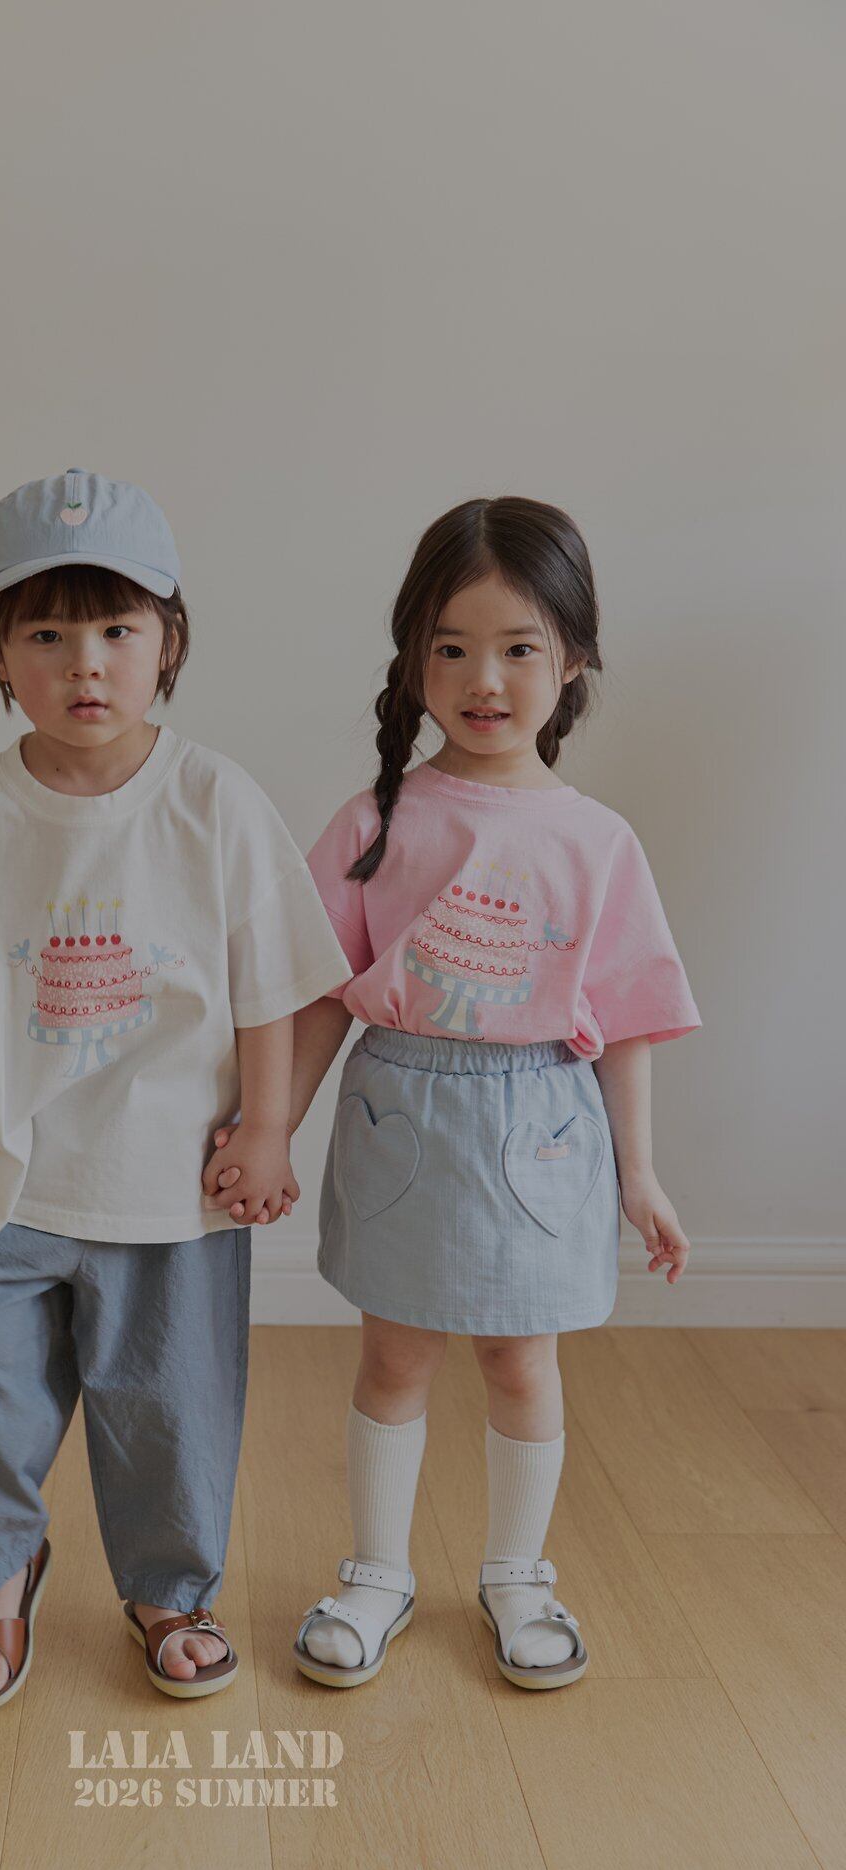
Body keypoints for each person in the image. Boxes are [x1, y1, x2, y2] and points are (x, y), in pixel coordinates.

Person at [0, 468, 350, 1707]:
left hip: (172, 1185)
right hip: (10, 1184)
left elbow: (271, 986)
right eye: (46, 634)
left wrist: (268, 1128)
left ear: (167, 640)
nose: (85, 663)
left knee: (172, 1406)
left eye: (118, 630)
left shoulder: (213, 802)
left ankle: (167, 1590)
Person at [204, 496, 701, 1690]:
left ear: (570, 660)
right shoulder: (374, 823)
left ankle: (516, 1577)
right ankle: (376, 1574)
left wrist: (638, 1175)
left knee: (520, 1361)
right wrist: (267, 1127)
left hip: (541, 1131)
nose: (483, 679)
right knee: (392, 1358)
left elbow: (626, 1019)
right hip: (402, 1122)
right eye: (452, 647)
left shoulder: (598, 842)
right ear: (413, 657)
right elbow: (316, 994)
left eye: (518, 648)